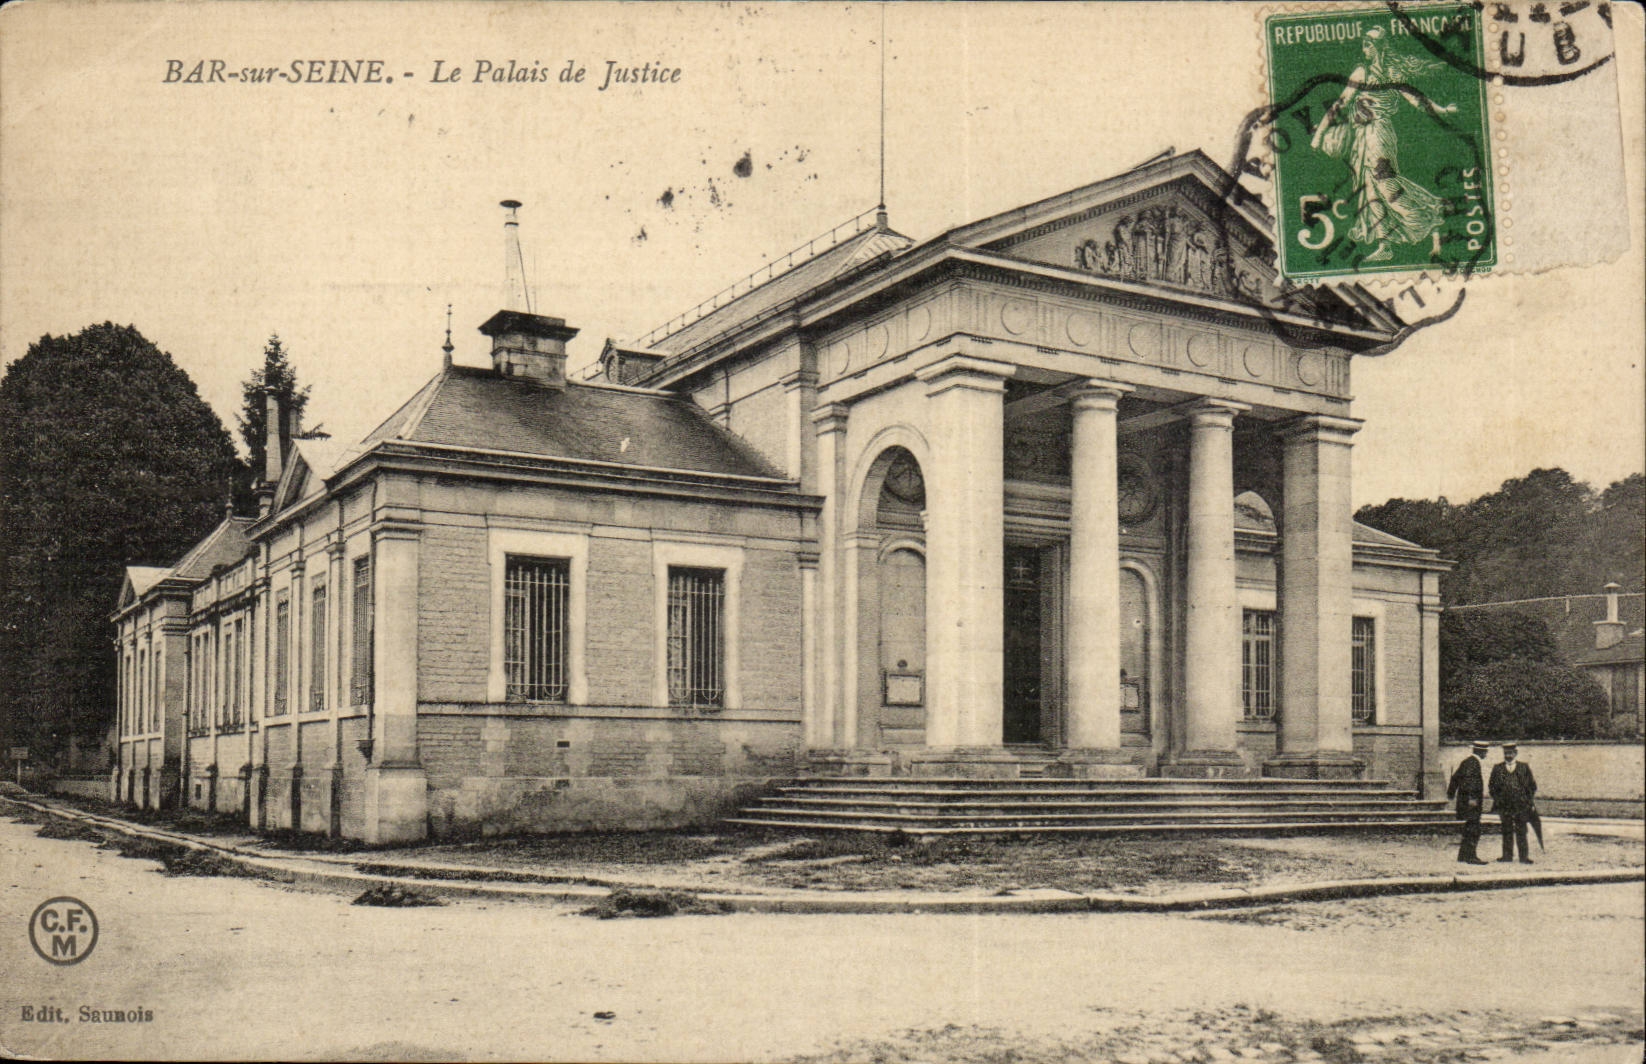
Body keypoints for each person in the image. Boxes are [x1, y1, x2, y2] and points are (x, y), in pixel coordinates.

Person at [1310, 26, 1456, 262]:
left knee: (1385, 185)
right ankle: (1385, 244)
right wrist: (1320, 134)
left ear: (1379, 48)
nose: (1365, 49)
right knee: (1368, 190)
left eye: (1369, 45)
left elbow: (1416, 98)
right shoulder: (1361, 72)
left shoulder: (1392, 73)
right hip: (1360, 138)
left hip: (1379, 134)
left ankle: (1430, 215)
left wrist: (1441, 109)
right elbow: (1340, 104)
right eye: (1364, 45)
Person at [1489, 741, 1538, 864]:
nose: (1508, 755)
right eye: (1506, 753)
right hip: (1504, 806)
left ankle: (1523, 857)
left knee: (1521, 830)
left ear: (1515, 753)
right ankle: (1507, 856)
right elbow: (1492, 786)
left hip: (1521, 805)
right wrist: (1498, 799)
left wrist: (1528, 800)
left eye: (1510, 753)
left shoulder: (1524, 767)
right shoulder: (1497, 768)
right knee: (1506, 830)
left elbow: (1532, 786)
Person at [1446, 740, 1490, 864]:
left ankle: (1463, 856)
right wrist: (1472, 799)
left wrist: (1451, 793)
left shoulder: (1466, 762)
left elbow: (1455, 778)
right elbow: (1471, 783)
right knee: (1474, 828)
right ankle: (1471, 856)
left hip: (1465, 802)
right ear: (1480, 751)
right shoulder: (1474, 763)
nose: (1486, 754)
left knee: (1469, 828)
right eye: (1485, 752)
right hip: (1472, 803)